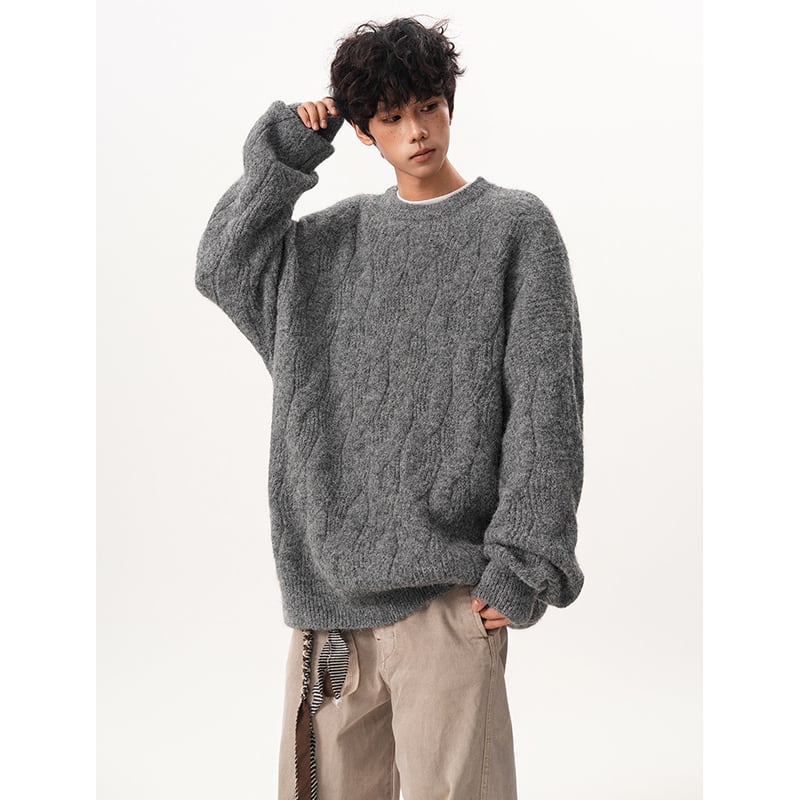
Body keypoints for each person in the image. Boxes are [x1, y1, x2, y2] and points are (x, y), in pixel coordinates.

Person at [194, 15, 585, 800]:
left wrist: (520, 568)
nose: (417, 132)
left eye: (429, 107)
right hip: (328, 612)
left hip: (449, 602)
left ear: (450, 102)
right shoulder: (327, 248)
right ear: (364, 131)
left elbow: (546, 410)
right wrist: (287, 152)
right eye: (392, 116)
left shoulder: (515, 228)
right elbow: (223, 267)